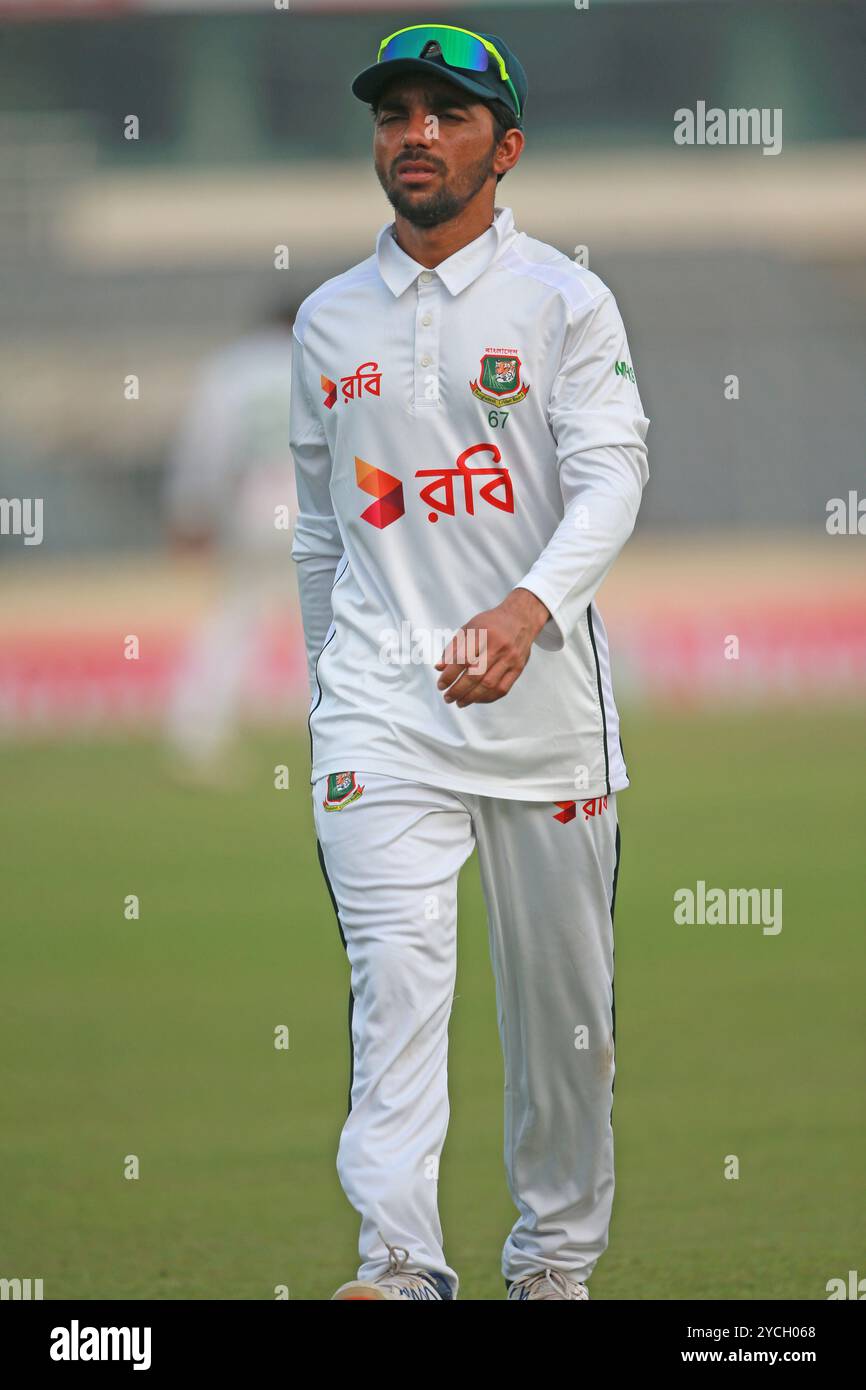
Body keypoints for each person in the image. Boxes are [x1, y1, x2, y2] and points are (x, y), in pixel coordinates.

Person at [289, 23, 650, 1300]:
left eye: (445, 115)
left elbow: (612, 481)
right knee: (392, 990)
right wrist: (330, 686)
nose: (414, 136)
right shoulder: (327, 320)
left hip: (545, 720)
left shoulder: (563, 301)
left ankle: (552, 1267)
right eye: (394, 114)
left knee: (567, 1033)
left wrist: (525, 612)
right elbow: (323, 531)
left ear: (505, 147)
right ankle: (398, 1263)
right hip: (381, 717)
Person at [163, 304, 299, 784]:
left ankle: (198, 732)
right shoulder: (321, 354)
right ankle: (353, 736)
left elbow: (207, 446)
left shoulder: (230, 369)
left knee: (236, 619)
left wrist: (191, 512)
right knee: (333, 621)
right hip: (315, 506)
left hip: (253, 506)